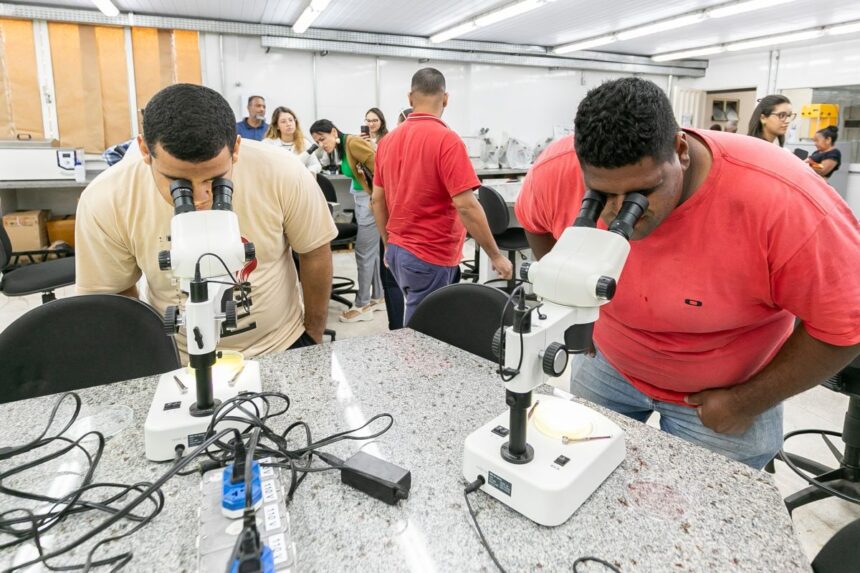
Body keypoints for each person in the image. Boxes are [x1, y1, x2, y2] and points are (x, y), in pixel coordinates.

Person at [515, 77, 860, 470]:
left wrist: (747, 401)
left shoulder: (783, 199)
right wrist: (577, 309)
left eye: (640, 192)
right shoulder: (556, 170)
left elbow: (846, 326)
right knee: (584, 482)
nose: (615, 214)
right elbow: (534, 221)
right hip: (608, 365)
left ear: (680, 151)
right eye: (601, 195)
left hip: (726, 397)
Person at [76, 84, 337, 357]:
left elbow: (315, 251)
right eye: (179, 183)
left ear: (235, 148)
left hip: (280, 345)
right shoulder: (107, 198)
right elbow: (113, 295)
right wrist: (149, 357)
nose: (200, 198)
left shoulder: (283, 171)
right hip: (178, 354)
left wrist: (312, 336)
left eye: (215, 180)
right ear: (144, 149)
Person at [372, 68, 513, 324]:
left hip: (398, 251)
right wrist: (495, 255)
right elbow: (467, 207)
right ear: (445, 99)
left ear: (410, 97)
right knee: (424, 332)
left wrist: (388, 242)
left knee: (423, 319)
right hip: (430, 254)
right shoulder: (448, 140)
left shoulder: (387, 142)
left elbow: (376, 200)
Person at [309, 118, 383, 323]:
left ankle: (362, 305)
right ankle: (378, 297)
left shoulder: (352, 142)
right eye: (317, 141)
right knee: (372, 251)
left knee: (363, 252)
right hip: (362, 199)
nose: (322, 144)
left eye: (323, 139)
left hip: (370, 201)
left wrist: (374, 199)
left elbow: (381, 168)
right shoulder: (340, 149)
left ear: (334, 131)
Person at [263, 107, 321, 174]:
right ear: (277, 126)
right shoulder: (267, 144)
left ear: (295, 122)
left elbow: (315, 165)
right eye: (283, 121)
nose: (288, 124)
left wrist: (310, 171)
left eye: (291, 120)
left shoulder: (304, 143)